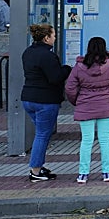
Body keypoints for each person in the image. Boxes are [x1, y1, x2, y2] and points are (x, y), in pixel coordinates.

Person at [65, 36, 109, 184]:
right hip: (105, 106)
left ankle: (83, 174)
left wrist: (77, 102)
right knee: (105, 140)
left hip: (85, 106)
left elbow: (70, 88)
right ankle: (107, 172)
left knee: (86, 140)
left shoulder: (79, 66)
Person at [22, 24, 70, 182]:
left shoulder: (28, 52)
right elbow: (55, 78)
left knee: (41, 134)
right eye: (53, 35)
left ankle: (38, 166)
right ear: (46, 38)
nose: (55, 38)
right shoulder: (48, 56)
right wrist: (67, 69)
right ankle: (35, 171)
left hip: (28, 98)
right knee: (42, 135)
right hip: (45, 100)